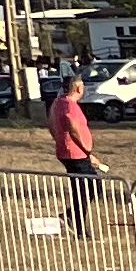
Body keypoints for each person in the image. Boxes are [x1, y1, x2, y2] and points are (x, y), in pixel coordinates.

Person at [49, 75, 101, 236]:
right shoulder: (70, 106)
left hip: (70, 152)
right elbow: (73, 127)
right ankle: (75, 221)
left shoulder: (58, 103)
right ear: (78, 88)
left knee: (87, 188)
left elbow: (50, 124)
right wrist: (86, 148)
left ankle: (72, 217)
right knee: (88, 189)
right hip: (75, 154)